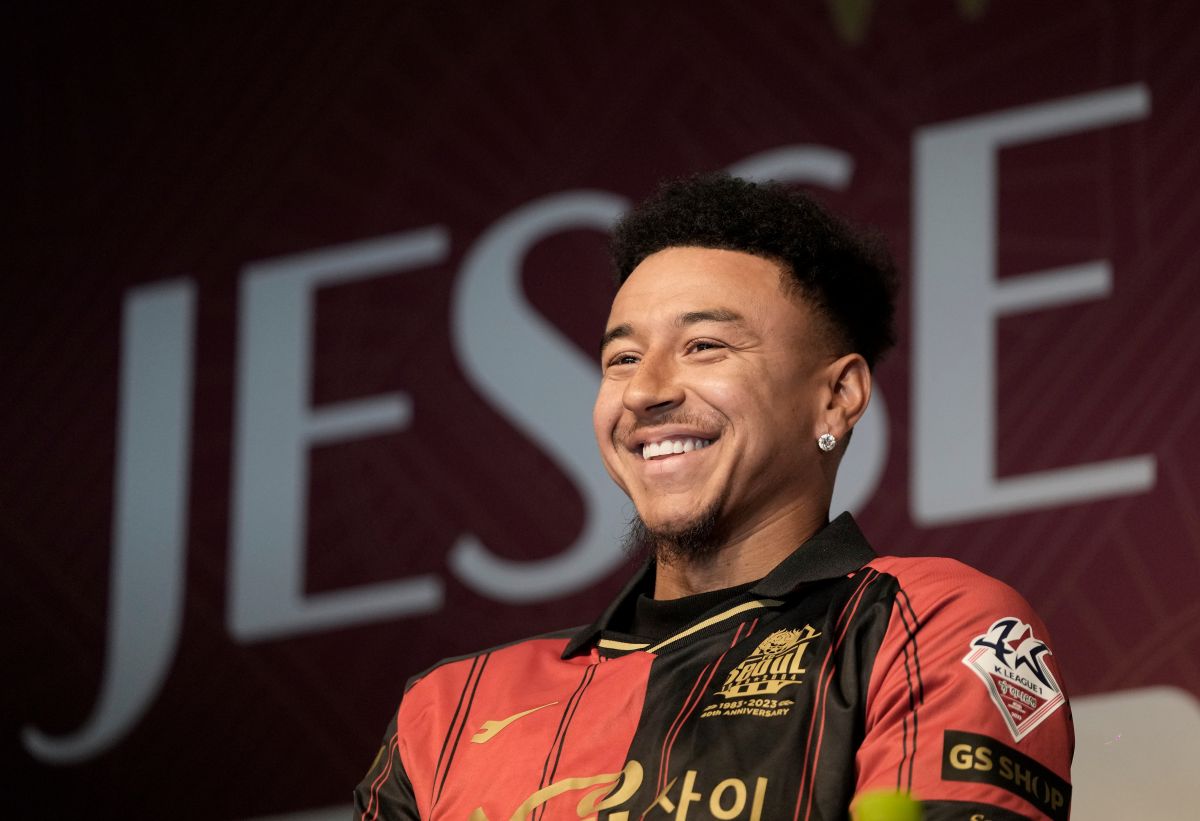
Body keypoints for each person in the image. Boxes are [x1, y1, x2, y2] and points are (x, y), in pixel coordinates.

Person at [354, 174, 1073, 820]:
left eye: (704, 347)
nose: (645, 390)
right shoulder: (450, 707)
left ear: (837, 396)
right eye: (622, 358)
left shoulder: (927, 625)